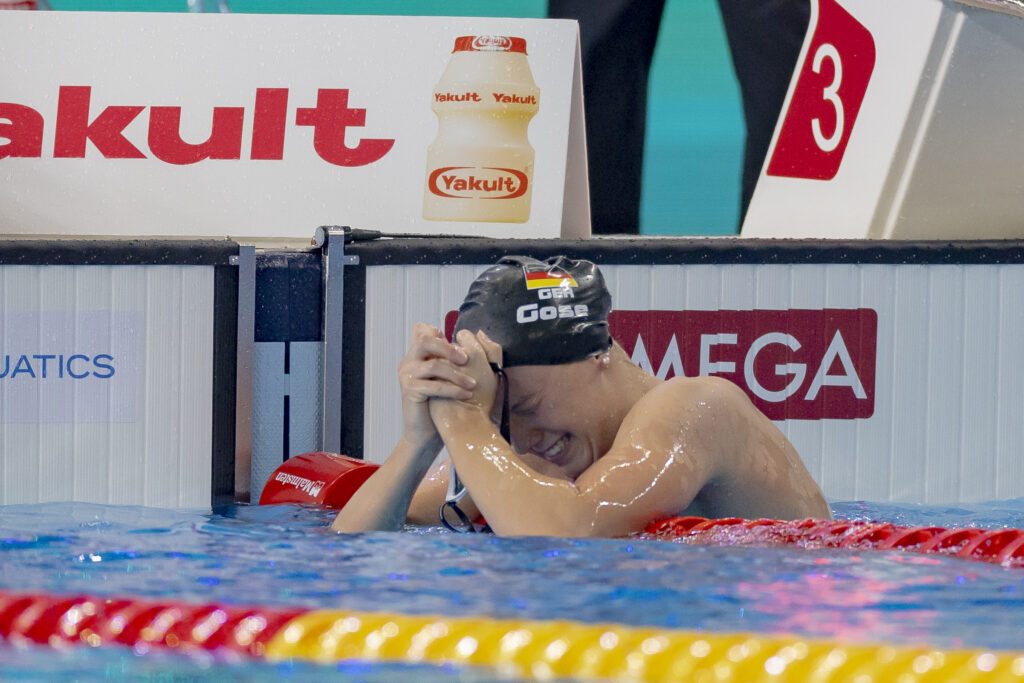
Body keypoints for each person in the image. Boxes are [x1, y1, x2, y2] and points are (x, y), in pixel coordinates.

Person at [332, 256, 830, 537]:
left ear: (596, 355)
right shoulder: (517, 455)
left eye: (527, 408)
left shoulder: (697, 408)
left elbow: (573, 535)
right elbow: (351, 554)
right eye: (502, 422)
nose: (521, 441)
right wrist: (420, 441)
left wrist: (466, 421)